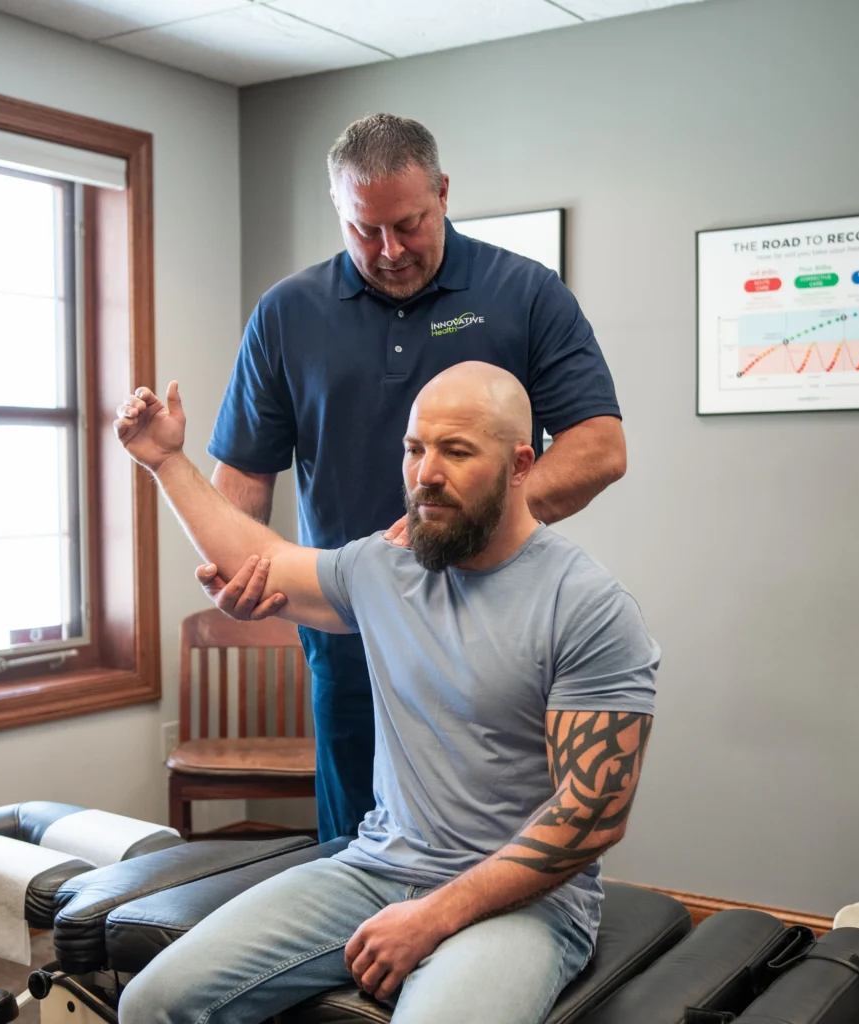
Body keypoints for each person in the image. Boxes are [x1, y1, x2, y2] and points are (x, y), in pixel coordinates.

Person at [114, 361, 658, 1024]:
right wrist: (166, 461)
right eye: (415, 448)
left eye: (457, 451)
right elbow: (255, 560)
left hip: (527, 903)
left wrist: (432, 916)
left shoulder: (587, 605)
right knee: (152, 1003)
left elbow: (593, 812)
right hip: (375, 867)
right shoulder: (386, 567)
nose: (427, 472)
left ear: (520, 465)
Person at [206, 113, 628, 842]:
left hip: (497, 623)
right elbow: (243, 470)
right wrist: (240, 570)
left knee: (498, 838)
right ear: (338, 209)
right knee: (356, 842)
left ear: (443, 193)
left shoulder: (525, 293)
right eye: (364, 229)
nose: (390, 250)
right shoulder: (287, 313)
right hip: (352, 626)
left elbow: (599, 447)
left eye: (409, 224)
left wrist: (465, 529)